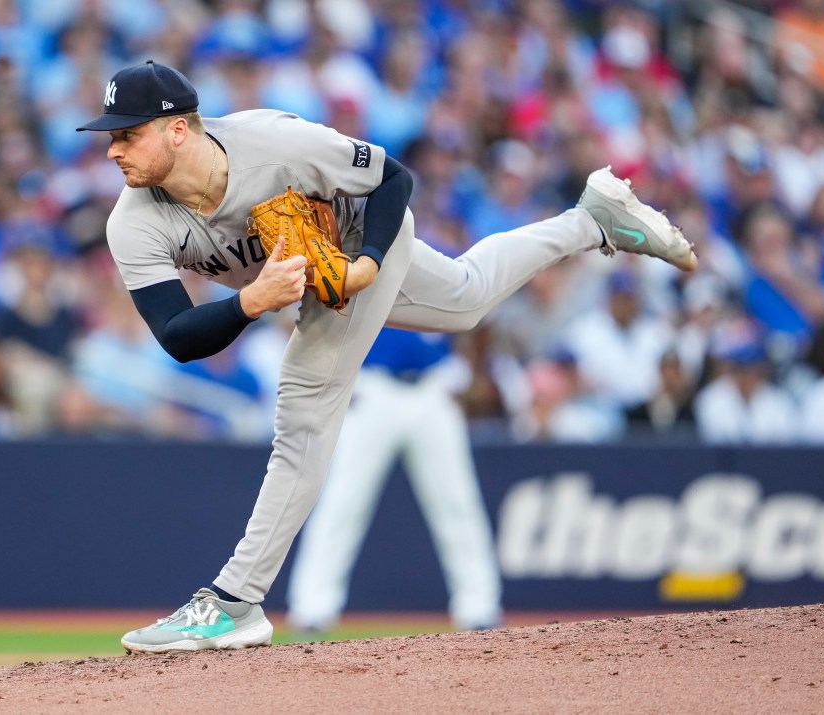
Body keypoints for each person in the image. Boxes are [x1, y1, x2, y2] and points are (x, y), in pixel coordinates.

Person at [75, 60, 698, 654]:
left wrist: (366, 265)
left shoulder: (273, 144)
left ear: (177, 129)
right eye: (110, 137)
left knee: (302, 416)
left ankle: (236, 600)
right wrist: (254, 302)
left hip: (364, 232)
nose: (113, 150)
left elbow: (392, 178)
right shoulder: (132, 223)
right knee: (464, 299)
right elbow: (179, 337)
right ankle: (594, 221)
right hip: (313, 271)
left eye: (127, 135)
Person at [286, 328, 503, 633]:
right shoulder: (367, 276)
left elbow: (480, 312)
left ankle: (480, 607)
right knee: (342, 503)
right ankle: (312, 608)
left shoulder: (446, 277)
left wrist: (470, 370)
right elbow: (318, 311)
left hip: (434, 385)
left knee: (458, 503)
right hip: (374, 385)